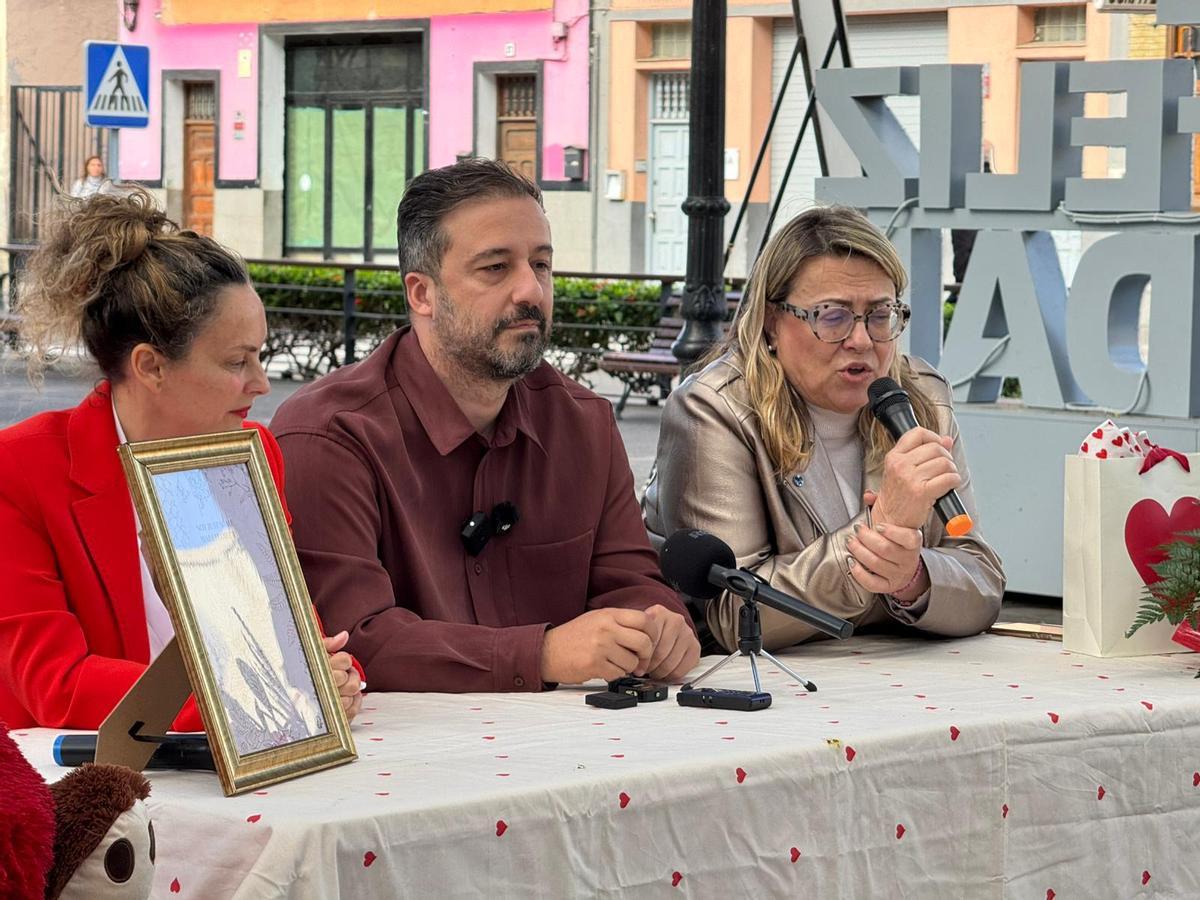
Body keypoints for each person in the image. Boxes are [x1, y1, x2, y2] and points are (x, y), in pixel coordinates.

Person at [272, 158, 700, 692]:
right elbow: (351, 640)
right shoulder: (330, 436)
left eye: (541, 265)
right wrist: (540, 654)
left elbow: (633, 584)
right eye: (495, 268)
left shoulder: (584, 422)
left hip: (581, 755)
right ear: (421, 294)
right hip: (403, 763)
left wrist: (659, 627)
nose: (531, 291)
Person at [0, 189, 363, 730]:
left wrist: (334, 674)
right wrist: (263, 698)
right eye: (237, 361)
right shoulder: (19, 469)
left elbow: (292, 633)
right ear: (150, 367)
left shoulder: (254, 451)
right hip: (77, 787)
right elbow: (58, 686)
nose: (261, 384)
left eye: (259, 355)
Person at [642, 206, 1004, 652]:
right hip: (755, 685)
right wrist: (879, 530)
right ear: (771, 322)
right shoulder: (714, 408)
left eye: (879, 314)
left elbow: (982, 580)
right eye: (832, 316)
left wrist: (913, 579)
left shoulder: (922, 398)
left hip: (888, 672)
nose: (861, 340)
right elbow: (735, 614)